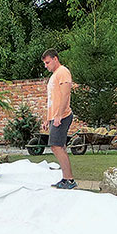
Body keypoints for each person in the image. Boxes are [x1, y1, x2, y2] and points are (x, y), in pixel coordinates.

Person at [42, 49, 76, 190]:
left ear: (55, 59)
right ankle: (66, 178)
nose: (46, 66)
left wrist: (59, 116)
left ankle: (69, 179)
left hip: (62, 116)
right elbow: (52, 100)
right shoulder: (55, 75)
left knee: (56, 146)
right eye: (44, 63)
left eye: (47, 62)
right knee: (59, 147)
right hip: (55, 117)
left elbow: (65, 95)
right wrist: (47, 118)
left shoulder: (63, 72)